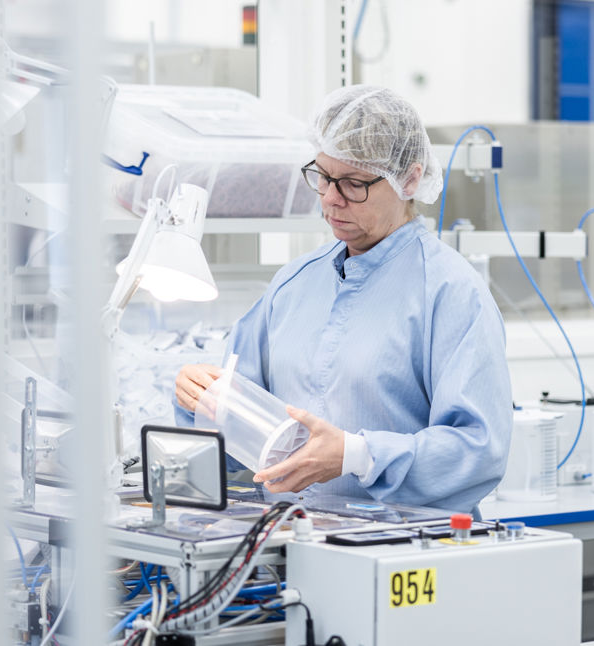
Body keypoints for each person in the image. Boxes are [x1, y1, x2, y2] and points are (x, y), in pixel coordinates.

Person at [173, 85, 512, 514]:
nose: (331, 198)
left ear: (408, 179)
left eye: (353, 184)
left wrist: (355, 455)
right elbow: (232, 435)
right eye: (323, 176)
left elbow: (478, 451)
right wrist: (198, 398)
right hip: (285, 545)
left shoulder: (451, 293)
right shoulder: (293, 286)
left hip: (400, 557)